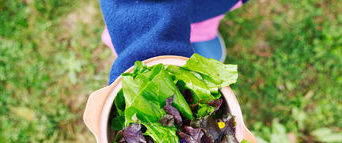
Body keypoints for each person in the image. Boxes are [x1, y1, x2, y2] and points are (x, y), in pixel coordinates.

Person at [100, 0, 249, 83]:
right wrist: (147, 55)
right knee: (131, 31)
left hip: (210, 6)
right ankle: (128, 43)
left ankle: (199, 35)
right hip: (143, 17)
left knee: (202, 24)